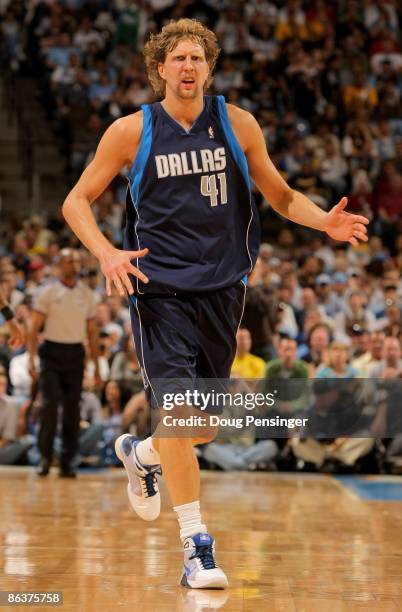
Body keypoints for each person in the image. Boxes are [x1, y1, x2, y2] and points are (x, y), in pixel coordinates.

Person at [61, 18, 368, 590]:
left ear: (208, 66)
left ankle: (141, 452)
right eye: (177, 58)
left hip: (224, 290)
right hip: (159, 291)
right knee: (181, 414)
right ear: (160, 69)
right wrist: (105, 252)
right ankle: (196, 547)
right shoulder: (131, 130)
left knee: (199, 428)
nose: (187, 67)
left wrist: (324, 220)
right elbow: (76, 201)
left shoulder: (236, 123)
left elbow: (277, 194)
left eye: (196, 59)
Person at [27, 248, 100, 478]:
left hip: (75, 354)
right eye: (70, 261)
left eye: (78, 261)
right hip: (51, 353)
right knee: (49, 407)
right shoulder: (48, 292)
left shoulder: (88, 294)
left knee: (72, 410)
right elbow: (33, 327)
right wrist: (31, 357)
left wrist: (97, 366)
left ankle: (69, 460)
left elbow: (93, 333)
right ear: (60, 264)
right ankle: (46, 457)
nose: (75, 264)